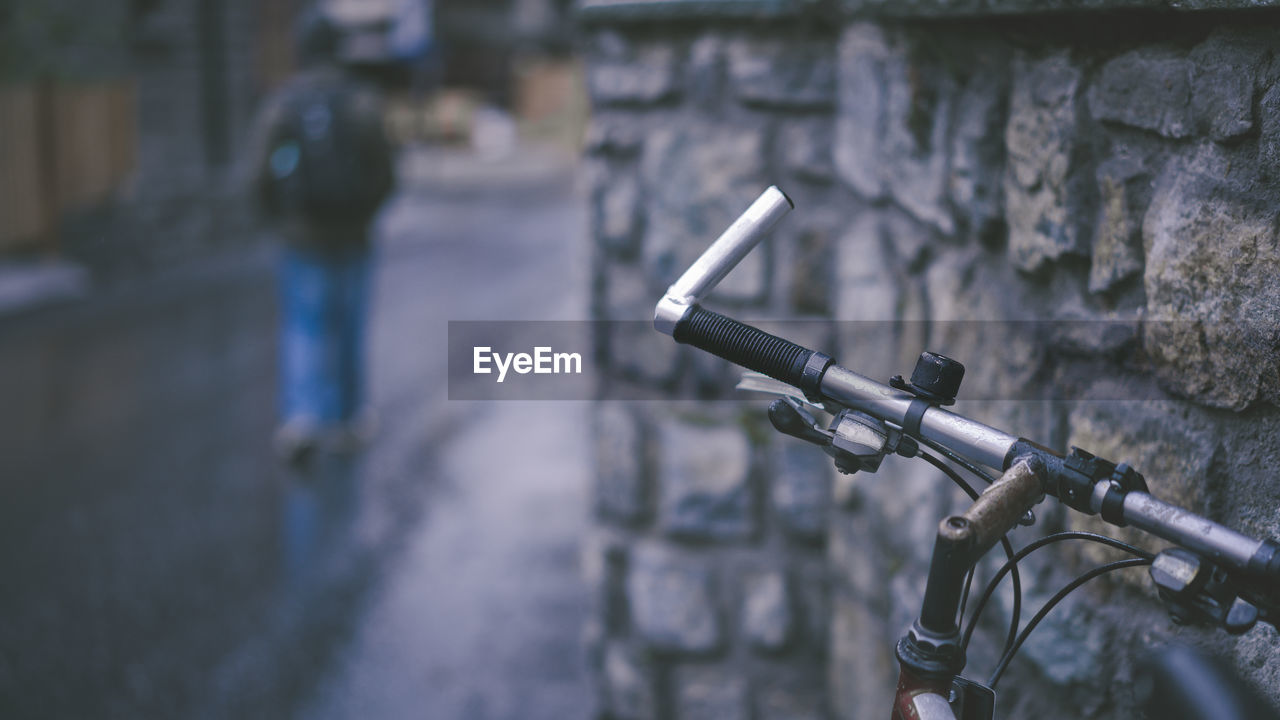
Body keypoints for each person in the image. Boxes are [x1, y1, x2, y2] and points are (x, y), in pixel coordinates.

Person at [246, 10, 395, 464]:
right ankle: (349, 419)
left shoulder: (284, 104)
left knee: (305, 327)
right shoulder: (362, 102)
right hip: (353, 234)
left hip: (302, 236)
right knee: (349, 327)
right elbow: (387, 173)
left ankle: (304, 418)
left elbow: (257, 176)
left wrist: (279, 221)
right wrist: (366, 215)